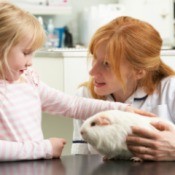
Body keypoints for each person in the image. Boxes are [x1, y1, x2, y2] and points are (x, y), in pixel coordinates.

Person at [0, 2, 149, 161]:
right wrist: (45, 148)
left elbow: (73, 105)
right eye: (26, 53)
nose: (30, 62)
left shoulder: (28, 81)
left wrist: (120, 109)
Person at [71, 16, 175, 161]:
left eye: (107, 64)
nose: (92, 72)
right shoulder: (85, 95)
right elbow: (81, 161)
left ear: (139, 71)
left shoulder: (170, 90)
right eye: (95, 58)